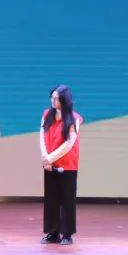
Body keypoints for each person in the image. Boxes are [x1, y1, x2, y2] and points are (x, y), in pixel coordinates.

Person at [39, 85, 82, 245]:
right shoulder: (46, 115)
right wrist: (45, 158)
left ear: (64, 100)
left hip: (67, 164)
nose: (53, 101)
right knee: (51, 198)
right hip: (49, 163)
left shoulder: (74, 118)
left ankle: (67, 234)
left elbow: (69, 144)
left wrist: (50, 158)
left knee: (67, 199)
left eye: (56, 98)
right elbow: (42, 137)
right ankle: (53, 232)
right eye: (52, 97)